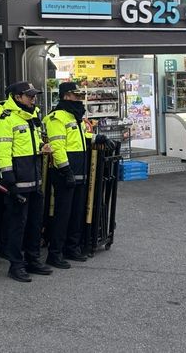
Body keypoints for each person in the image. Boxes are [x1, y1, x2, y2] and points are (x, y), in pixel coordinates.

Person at [44, 82, 114, 269]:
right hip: (66, 172)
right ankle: (55, 253)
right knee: (62, 215)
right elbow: (57, 146)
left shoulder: (76, 116)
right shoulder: (56, 117)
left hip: (80, 170)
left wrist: (96, 138)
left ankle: (72, 248)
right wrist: (65, 170)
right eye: (75, 95)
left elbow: (81, 138)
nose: (79, 98)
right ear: (66, 96)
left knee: (77, 213)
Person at [0, 81, 54, 282]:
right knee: (17, 225)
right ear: (17, 97)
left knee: (35, 224)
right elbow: (3, 150)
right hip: (18, 181)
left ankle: (33, 260)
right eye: (29, 95)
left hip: (34, 179)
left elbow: (29, 145)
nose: (33, 98)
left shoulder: (32, 116)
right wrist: (8, 178)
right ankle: (16, 265)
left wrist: (41, 148)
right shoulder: (7, 118)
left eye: (34, 95)